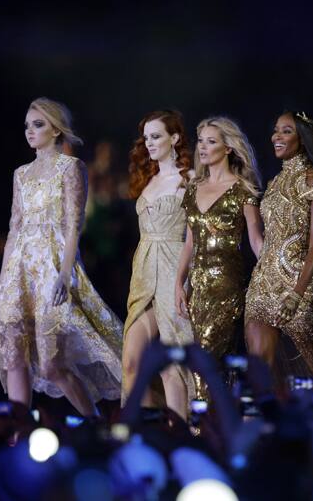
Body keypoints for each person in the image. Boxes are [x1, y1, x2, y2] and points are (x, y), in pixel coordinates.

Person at [0, 97, 123, 418]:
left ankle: (95, 426)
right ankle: (17, 435)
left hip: (51, 267)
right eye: (27, 126)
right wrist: (3, 284)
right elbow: (14, 227)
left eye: (38, 124)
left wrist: (65, 273)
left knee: (50, 366)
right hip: (19, 270)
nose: (30, 131)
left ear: (56, 129)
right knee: (14, 357)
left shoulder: (71, 168)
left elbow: (74, 225)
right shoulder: (21, 174)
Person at [244, 111, 313, 389]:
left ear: (302, 139)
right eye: (276, 130)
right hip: (263, 285)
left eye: (286, 131)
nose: (276, 136)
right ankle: (263, 429)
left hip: (298, 287)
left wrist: (296, 295)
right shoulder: (273, 184)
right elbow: (268, 239)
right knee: (259, 373)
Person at [175, 116, 263, 397]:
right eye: (200, 141)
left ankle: (203, 431)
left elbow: (256, 242)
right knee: (208, 365)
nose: (202, 147)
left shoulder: (243, 190)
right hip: (198, 292)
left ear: (228, 148)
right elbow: (190, 243)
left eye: (211, 142)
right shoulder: (193, 189)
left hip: (228, 288)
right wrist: (179, 283)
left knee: (206, 363)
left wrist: (278, 271)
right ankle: (220, 426)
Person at [123, 110, 196, 418]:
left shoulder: (190, 179)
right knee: (130, 361)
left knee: (172, 367)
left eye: (156, 136)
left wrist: (184, 280)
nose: (149, 143)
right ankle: (139, 435)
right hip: (142, 275)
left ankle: (179, 436)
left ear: (175, 138)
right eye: (147, 137)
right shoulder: (148, 179)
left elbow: (196, 235)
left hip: (173, 270)